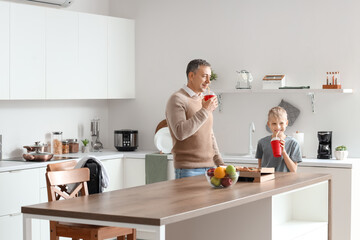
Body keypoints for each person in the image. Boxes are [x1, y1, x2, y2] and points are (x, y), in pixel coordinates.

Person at [165, 59, 224, 179]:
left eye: (209, 77)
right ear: (191, 76)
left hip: (210, 169)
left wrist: (220, 163)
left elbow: (209, 134)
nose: (208, 81)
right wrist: (206, 110)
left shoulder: (203, 100)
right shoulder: (177, 99)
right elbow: (180, 133)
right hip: (188, 170)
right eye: (204, 76)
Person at [255, 106, 302, 172]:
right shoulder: (262, 142)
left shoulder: (293, 143)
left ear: (286, 123)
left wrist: (283, 152)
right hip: (267, 180)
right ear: (269, 124)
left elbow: (293, 170)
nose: (278, 127)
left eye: (281, 123)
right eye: (274, 123)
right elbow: (260, 168)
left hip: (286, 181)